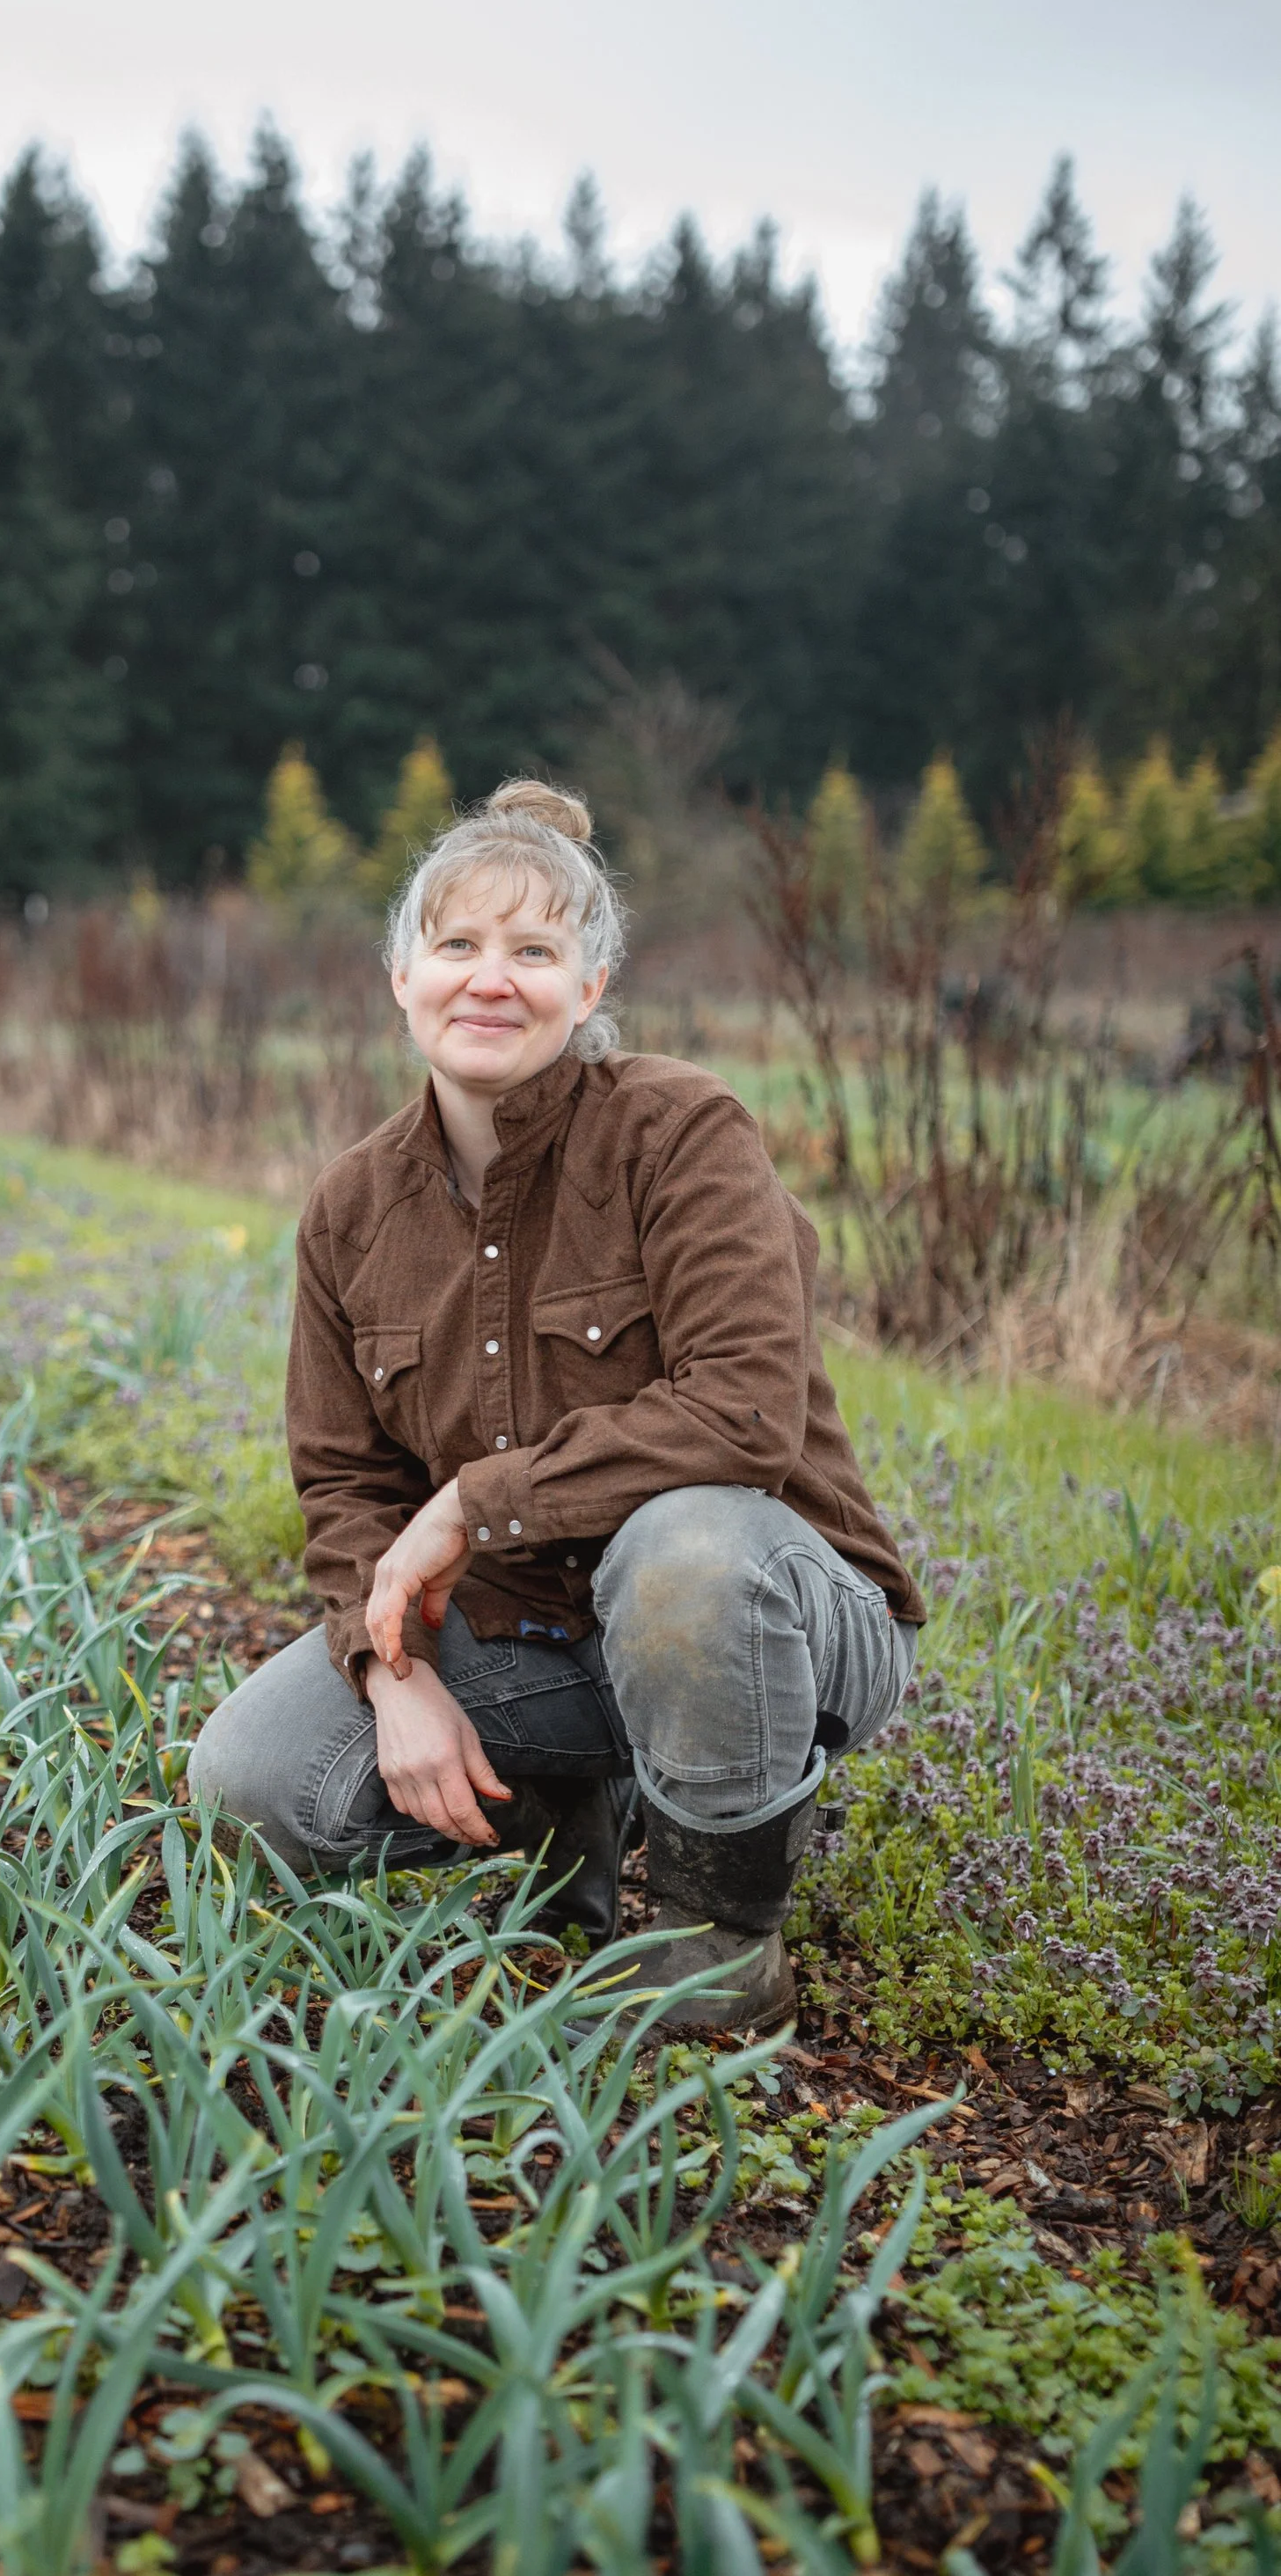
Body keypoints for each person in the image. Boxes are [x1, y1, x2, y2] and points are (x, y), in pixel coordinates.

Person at [187, 777, 922, 2027]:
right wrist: (390, 1671)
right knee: (255, 1781)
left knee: (684, 1544)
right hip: (537, 1641)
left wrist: (475, 1504)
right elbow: (346, 1485)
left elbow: (746, 1412)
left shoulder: (680, 1132)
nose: (490, 977)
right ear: (401, 978)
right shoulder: (352, 1209)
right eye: (457, 944)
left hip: (774, 1616)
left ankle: (721, 1938)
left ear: (587, 990)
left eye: (535, 950)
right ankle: (561, 1816)